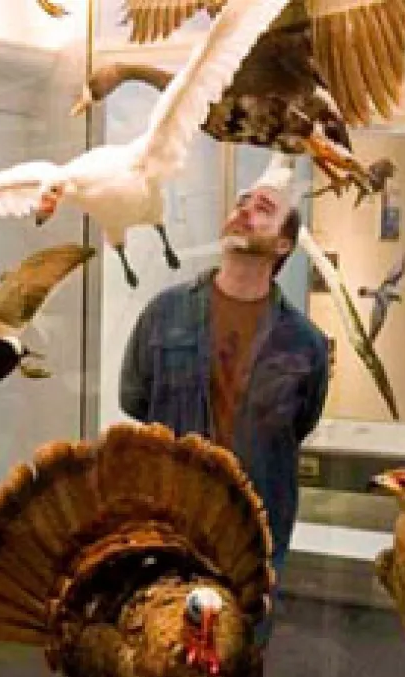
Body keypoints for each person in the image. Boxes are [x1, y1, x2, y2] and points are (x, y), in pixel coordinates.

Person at [119, 180, 330, 613]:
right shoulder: (165, 313)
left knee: (241, 658)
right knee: (158, 650)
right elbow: (135, 397)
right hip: (169, 524)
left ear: (283, 243)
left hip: (254, 534)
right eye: (240, 203)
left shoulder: (304, 343)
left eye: (263, 208)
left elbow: (298, 424)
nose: (244, 211)